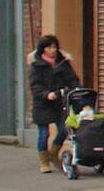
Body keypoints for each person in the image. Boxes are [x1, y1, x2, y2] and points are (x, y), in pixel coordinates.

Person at [28, 36, 79, 173]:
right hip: (42, 104)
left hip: (58, 103)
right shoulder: (36, 65)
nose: (53, 50)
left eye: (54, 47)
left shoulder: (62, 63)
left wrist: (76, 90)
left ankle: (53, 154)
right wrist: (46, 94)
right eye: (49, 47)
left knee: (63, 130)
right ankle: (44, 162)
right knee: (43, 134)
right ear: (43, 49)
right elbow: (35, 86)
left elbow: (72, 79)